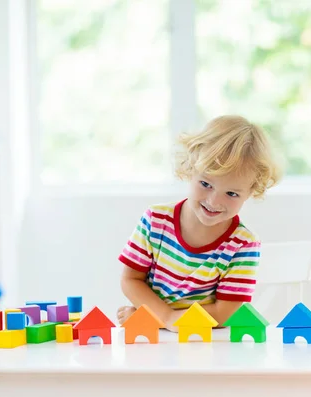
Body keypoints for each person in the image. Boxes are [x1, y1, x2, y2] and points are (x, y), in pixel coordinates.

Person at [116, 115, 281, 331]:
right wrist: (164, 318)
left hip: (205, 339)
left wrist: (165, 320)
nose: (214, 201)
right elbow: (130, 279)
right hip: (156, 338)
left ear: (251, 191)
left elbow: (225, 312)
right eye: (205, 184)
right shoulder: (155, 221)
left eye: (231, 193)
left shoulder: (243, 244)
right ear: (190, 168)